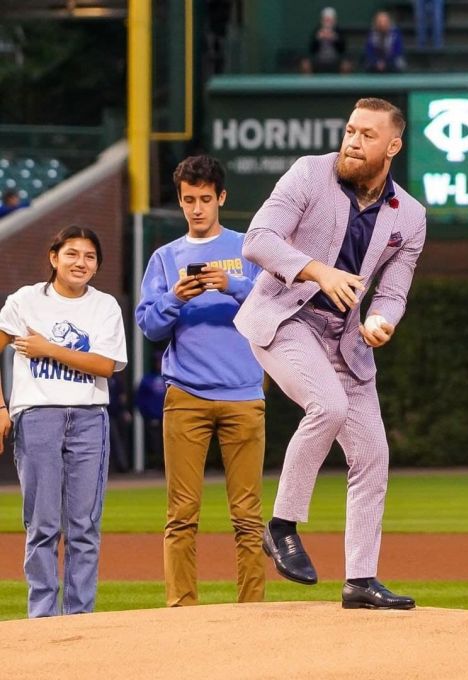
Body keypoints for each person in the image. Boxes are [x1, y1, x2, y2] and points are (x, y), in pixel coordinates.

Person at [234, 97, 426, 609]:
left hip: (346, 339)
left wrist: (383, 321)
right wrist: (318, 270)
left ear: (393, 146)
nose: (353, 141)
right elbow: (258, 239)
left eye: (366, 134)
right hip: (283, 319)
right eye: (349, 130)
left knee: (372, 456)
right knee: (329, 407)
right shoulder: (308, 175)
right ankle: (281, 525)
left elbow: (393, 290)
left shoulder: (410, 215)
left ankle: (361, 580)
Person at [135, 154, 266, 606]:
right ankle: (181, 611)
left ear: (221, 198)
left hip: (244, 393)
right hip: (185, 395)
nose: (196, 208)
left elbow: (276, 308)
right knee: (181, 515)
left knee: (248, 518)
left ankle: (252, 612)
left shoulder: (250, 249)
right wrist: (174, 298)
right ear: (180, 199)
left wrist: (230, 285)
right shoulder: (165, 258)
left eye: (205, 199)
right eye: (188, 200)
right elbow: (150, 329)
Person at [0, 225, 127, 618]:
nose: (81, 262)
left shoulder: (104, 305)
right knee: (43, 525)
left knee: (84, 527)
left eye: (89, 256)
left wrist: (47, 349)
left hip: (89, 417)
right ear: (54, 258)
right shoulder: (25, 300)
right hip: (37, 415)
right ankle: (42, 618)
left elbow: (105, 365)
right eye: (72, 253)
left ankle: (79, 619)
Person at [134, 350, 166, 469]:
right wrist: (146, 414)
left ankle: (164, 465)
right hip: (152, 417)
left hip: (167, 416)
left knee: (166, 443)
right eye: (157, 361)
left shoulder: (168, 377)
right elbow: (139, 399)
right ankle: (156, 465)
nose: (159, 364)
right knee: (154, 443)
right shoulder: (147, 379)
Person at [300, 6, 352, 74]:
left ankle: (343, 84)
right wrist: (317, 39)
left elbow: (343, 49)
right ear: (322, 21)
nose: (328, 22)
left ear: (334, 21)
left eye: (330, 20)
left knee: (346, 65)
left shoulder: (339, 31)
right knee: (305, 64)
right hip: (319, 61)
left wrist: (335, 39)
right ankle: (309, 84)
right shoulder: (317, 31)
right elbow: (311, 50)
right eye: (326, 20)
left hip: (335, 61)